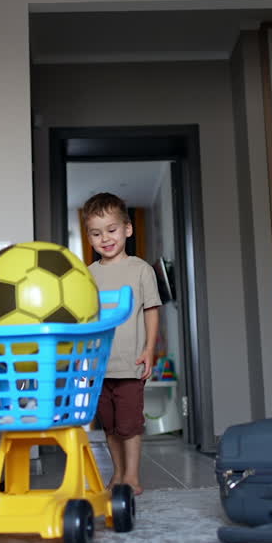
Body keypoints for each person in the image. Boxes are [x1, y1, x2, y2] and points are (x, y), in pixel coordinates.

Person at [81, 192, 161, 496]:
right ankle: (117, 473)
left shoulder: (141, 270)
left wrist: (149, 348)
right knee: (110, 427)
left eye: (111, 230)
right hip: (100, 365)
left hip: (130, 364)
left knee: (130, 425)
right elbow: (86, 319)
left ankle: (132, 476)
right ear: (89, 236)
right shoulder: (88, 275)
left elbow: (152, 310)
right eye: (96, 233)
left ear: (128, 229)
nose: (105, 238)